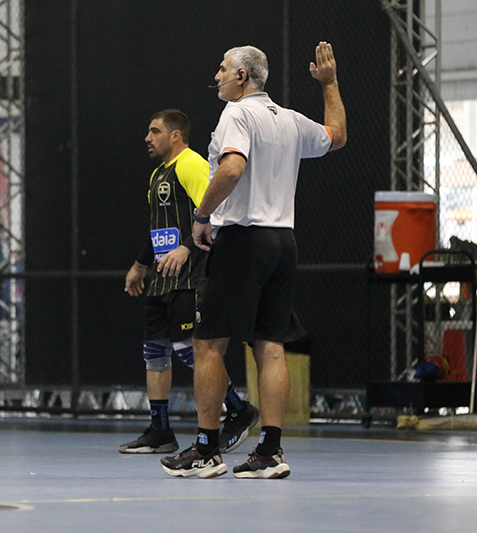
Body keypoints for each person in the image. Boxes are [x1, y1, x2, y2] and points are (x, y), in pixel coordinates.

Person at [161, 42, 346, 478]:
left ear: (242, 77)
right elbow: (337, 136)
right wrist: (330, 83)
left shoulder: (237, 114)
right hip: (283, 243)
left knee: (208, 344)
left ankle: (206, 451)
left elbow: (231, 169)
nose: (217, 76)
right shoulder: (290, 120)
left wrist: (202, 216)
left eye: (223, 69)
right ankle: (269, 452)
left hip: (243, 240)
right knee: (270, 345)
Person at [120, 109, 258, 455]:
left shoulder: (191, 164)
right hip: (161, 279)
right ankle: (160, 431)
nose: (147, 138)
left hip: (189, 278)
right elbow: (158, 226)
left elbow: (211, 213)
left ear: (175, 135)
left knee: (188, 350)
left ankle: (238, 409)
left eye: (154, 131)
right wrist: (139, 265)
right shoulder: (158, 174)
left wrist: (185, 248)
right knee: (154, 352)